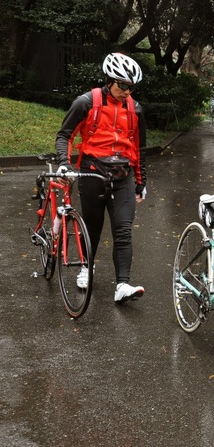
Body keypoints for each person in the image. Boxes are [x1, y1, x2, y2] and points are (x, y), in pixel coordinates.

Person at [55, 52, 148, 304]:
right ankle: (87, 267)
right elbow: (65, 135)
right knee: (92, 228)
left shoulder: (135, 109)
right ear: (110, 80)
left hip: (123, 176)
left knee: (123, 229)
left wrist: (141, 181)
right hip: (93, 172)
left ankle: (122, 284)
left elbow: (137, 148)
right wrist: (65, 164)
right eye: (123, 86)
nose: (127, 91)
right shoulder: (86, 103)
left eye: (132, 87)